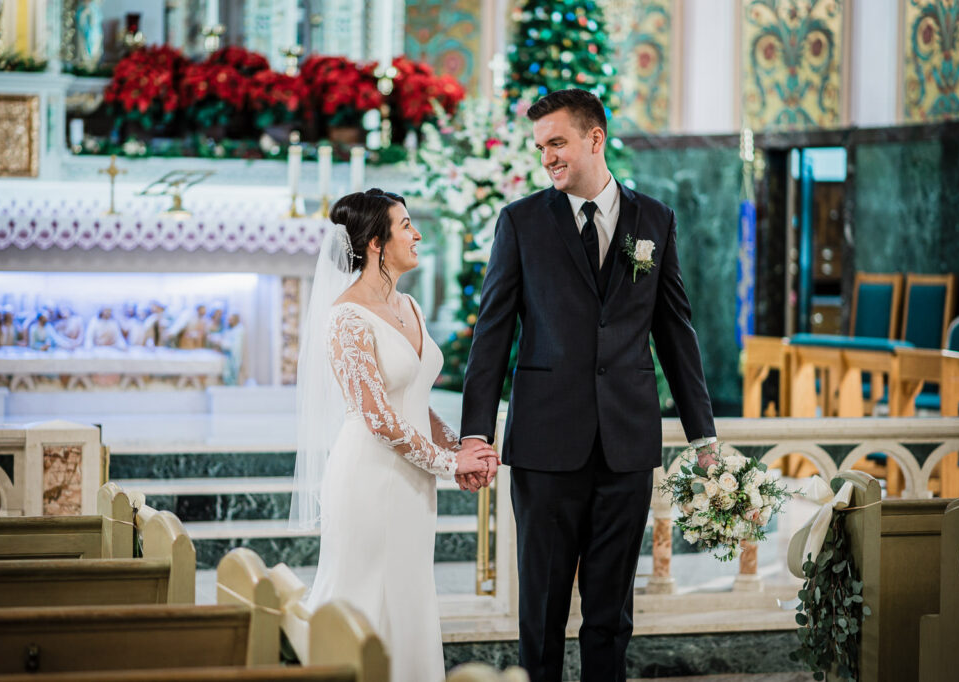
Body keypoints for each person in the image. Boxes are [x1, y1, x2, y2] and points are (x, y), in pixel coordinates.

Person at [458, 89, 718, 682]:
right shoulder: (521, 222)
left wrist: (703, 437)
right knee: (543, 611)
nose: (547, 157)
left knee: (610, 615)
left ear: (594, 138)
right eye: (540, 147)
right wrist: (476, 433)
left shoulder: (655, 220)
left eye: (557, 143)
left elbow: (675, 332)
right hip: (545, 446)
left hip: (626, 445)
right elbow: (492, 335)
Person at [292, 189, 498, 682]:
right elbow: (377, 416)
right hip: (369, 477)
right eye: (406, 225)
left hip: (412, 481)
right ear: (376, 243)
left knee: (408, 596)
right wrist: (449, 464)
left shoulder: (409, 306)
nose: (417, 234)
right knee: (365, 597)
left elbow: (415, 400)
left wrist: (459, 447)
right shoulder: (346, 317)